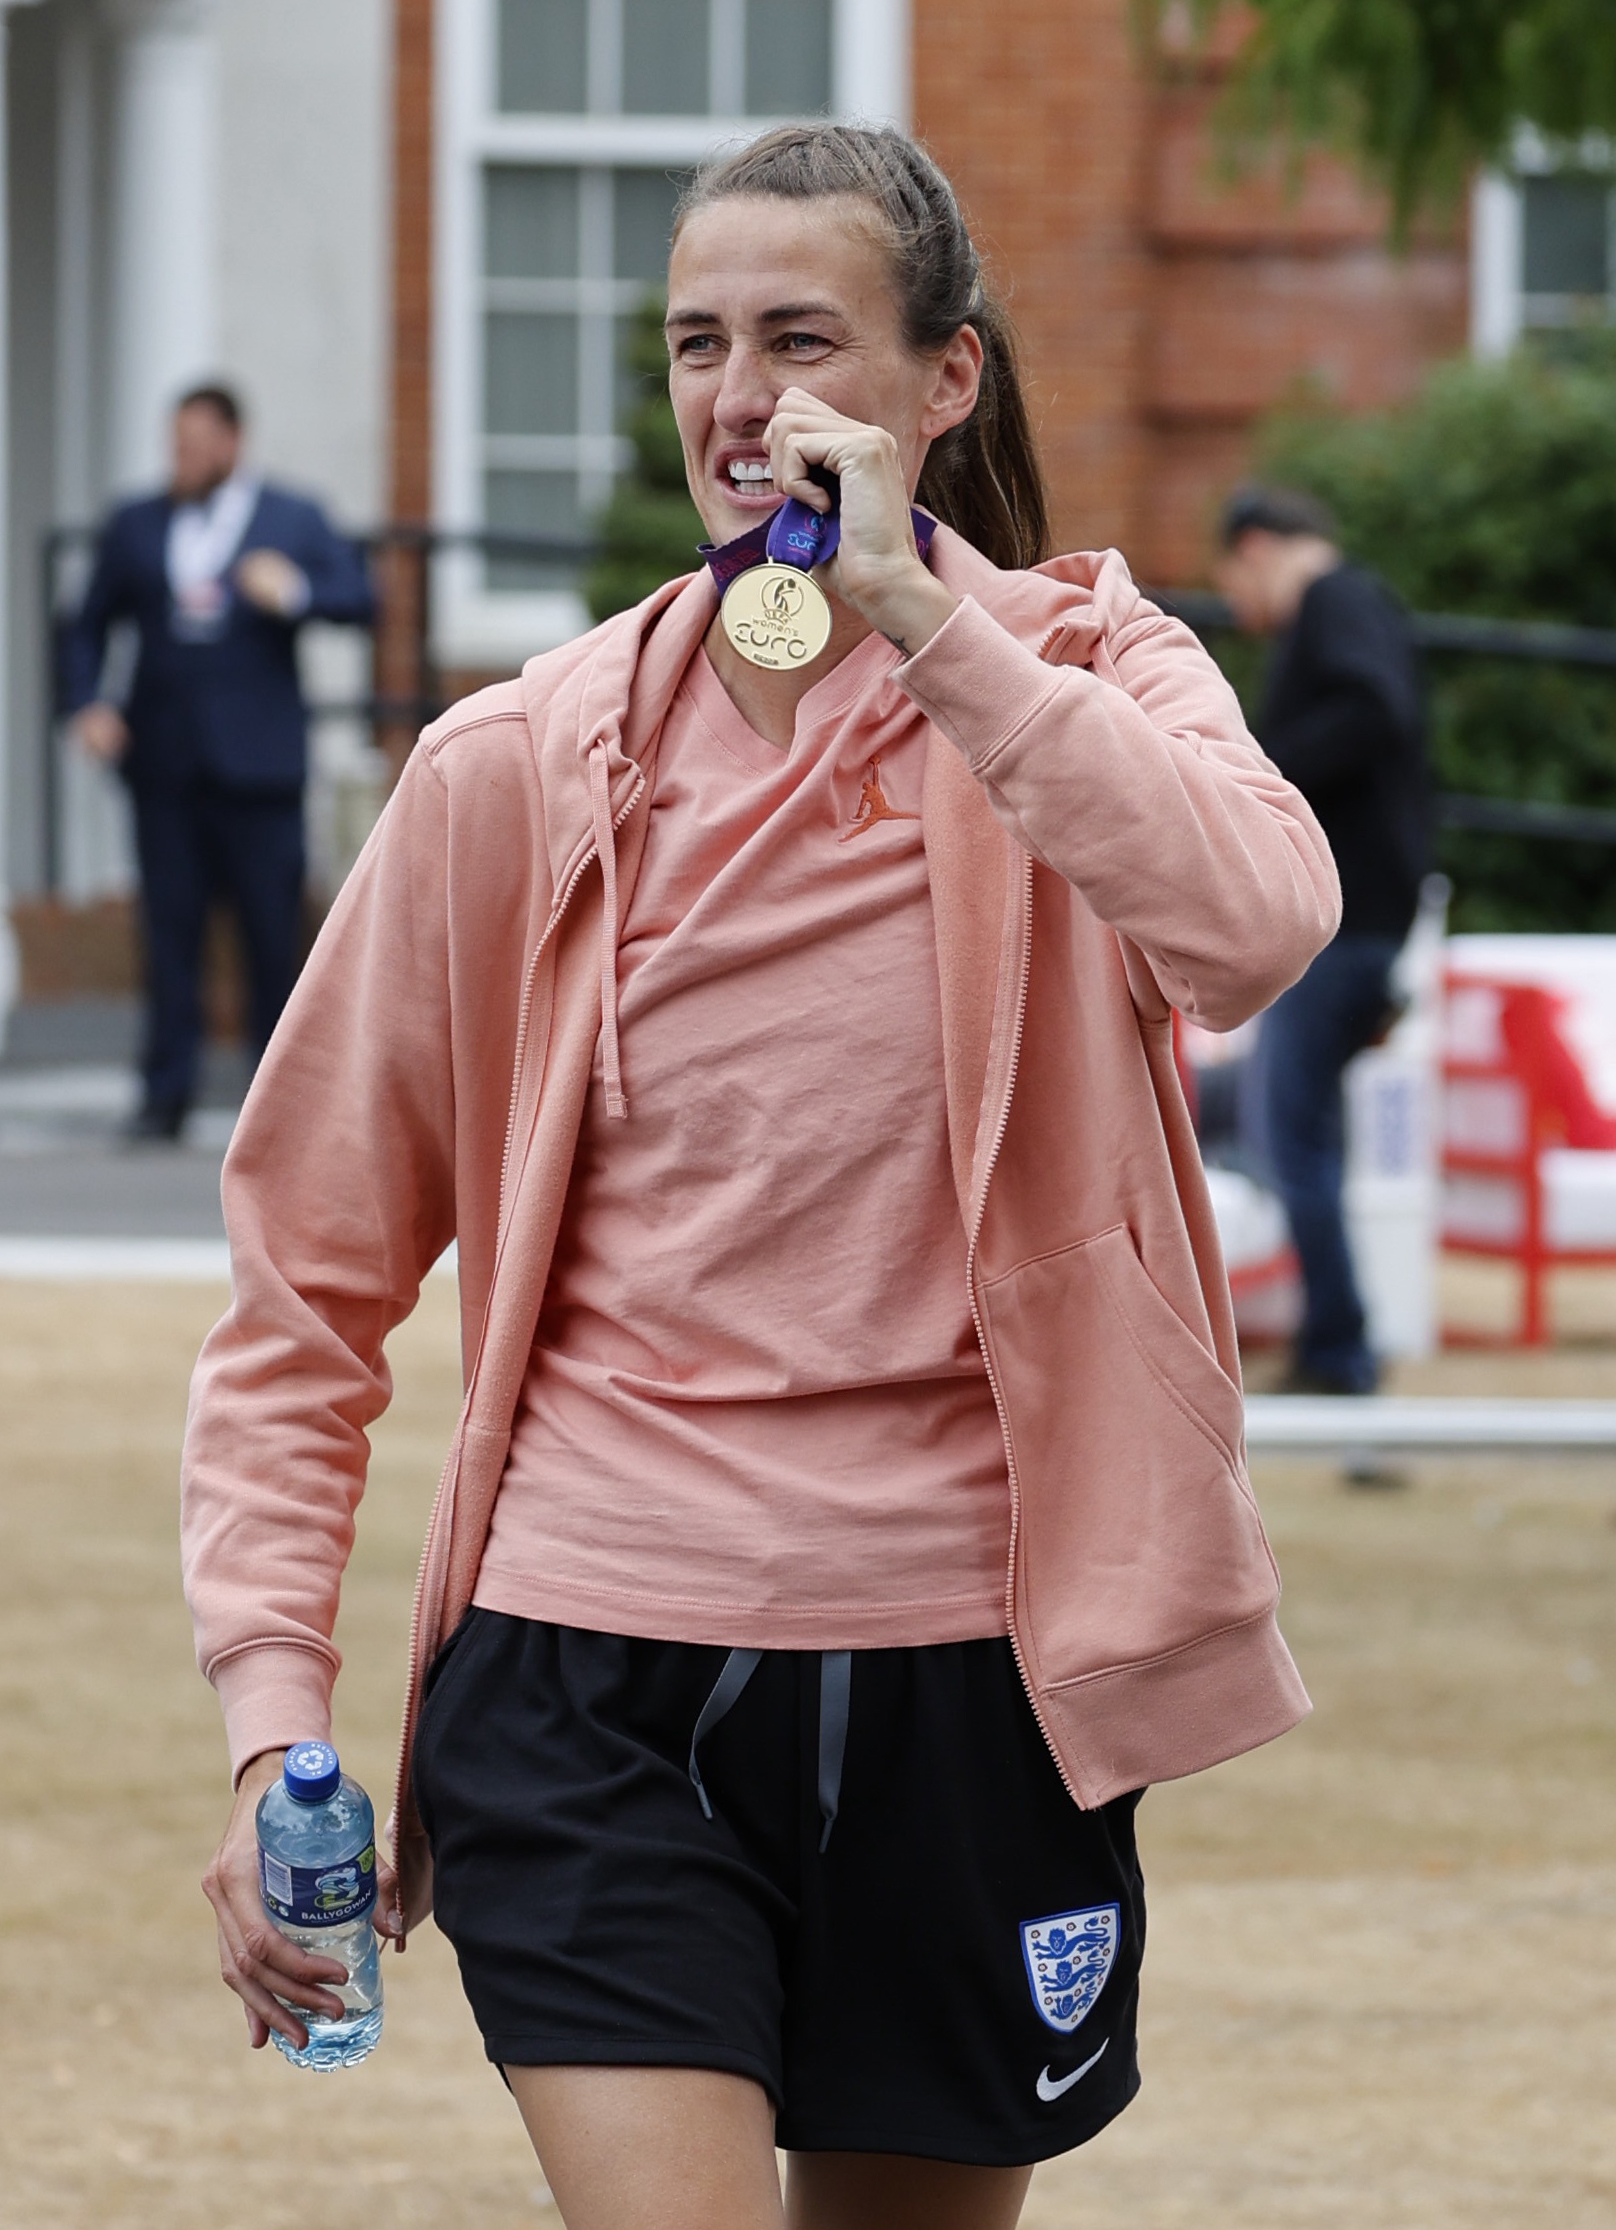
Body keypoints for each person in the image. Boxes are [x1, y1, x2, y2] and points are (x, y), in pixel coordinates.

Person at [185, 128, 1338, 2230]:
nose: (737, 396)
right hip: (586, 1664)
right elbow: (305, 1282)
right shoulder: (513, 765)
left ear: (940, 385)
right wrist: (274, 1718)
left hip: (972, 1682)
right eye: (695, 343)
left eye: (799, 337)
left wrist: (927, 621)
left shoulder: (1089, 674)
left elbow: (1257, 920)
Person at [61, 383, 374, 1140]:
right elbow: (84, 622)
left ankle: (277, 1106)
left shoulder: (288, 517)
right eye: (176, 446)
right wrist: (88, 704)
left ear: (233, 442)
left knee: (271, 937)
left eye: (198, 445)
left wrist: (292, 590)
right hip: (164, 766)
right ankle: (163, 1094)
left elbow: (361, 597)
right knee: (169, 932)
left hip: (259, 768)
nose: (184, 459)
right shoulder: (137, 523)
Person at [1217, 485, 1428, 1397]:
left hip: (1344, 927)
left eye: (1233, 583)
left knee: (1288, 1137)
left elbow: (1374, 709)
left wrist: (1255, 770)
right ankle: (1335, 1339)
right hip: (1367, 922)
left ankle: (1340, 1350)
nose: (1238, 610)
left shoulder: (1336, 601)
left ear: (1256, 547)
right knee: (1289, 1129)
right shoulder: (1363, 605)